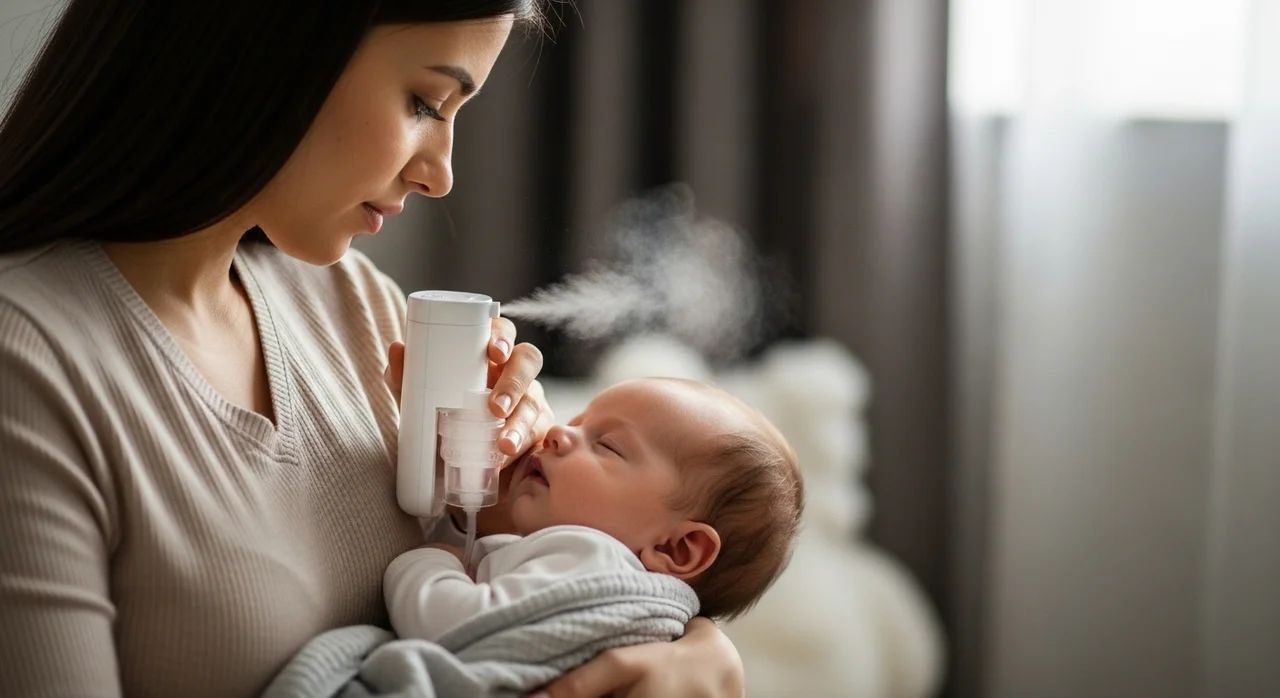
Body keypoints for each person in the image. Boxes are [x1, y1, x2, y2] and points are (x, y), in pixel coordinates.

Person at [0, 2, 745, 697]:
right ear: (276, 47)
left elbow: (554, 574)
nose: (440, 174)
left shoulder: (357, 305)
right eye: (425, 103)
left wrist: (692, 642)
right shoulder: (27, 359)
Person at [385, 377, 805, 643]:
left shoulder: (591, 559)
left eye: (606, 445)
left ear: (678, 549)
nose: (556, 433)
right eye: (577, 421)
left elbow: (447, 624)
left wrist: (429, 564)